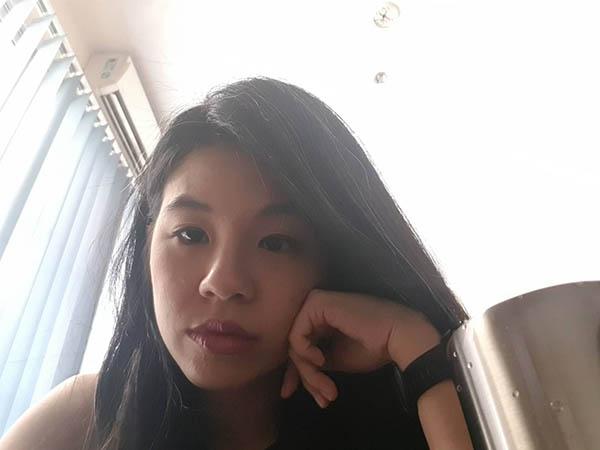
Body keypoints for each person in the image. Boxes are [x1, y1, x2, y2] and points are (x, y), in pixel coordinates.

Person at [0, 77, 473, 450]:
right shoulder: (83, 422)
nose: (223, 282)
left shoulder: (408, 412)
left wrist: (414, 347)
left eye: (276, 243)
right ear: (146, 245)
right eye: (191, 234)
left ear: (331, 264)